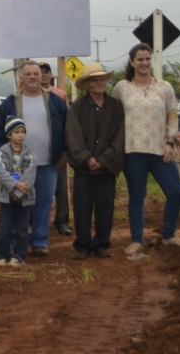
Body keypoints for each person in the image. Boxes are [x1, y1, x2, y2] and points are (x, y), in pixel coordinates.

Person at [112, 44, 180, 255]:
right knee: (137, 196)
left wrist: (169, 143)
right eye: (140, 59)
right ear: (132, 62)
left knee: (175, 191)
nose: (144, 63)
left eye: (147, 59)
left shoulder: (165, 87)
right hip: (132, 150)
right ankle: (137, 239)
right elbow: (115, 118)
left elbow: (172, 116)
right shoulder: (121, 87)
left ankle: (169, 234)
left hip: (159, 151)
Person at [0, 61, 69, 257]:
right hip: (18, 166)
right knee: (18, 202)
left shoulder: (54, 100)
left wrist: (65, 153)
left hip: (47, 162)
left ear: (43, 77)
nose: (33, 77)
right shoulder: (10, 102)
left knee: (44, 202)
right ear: (22, 78)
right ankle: (16, 241)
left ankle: (40, 241)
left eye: (36, 73)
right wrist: (3, 160)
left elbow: (68, 127)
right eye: (29, 74)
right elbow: (0, 133)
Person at [66, 63, 124, 259]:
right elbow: (73, 135)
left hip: (107, 168)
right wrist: (86, 158)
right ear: (87, 84)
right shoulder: (78, 106)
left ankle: (101, 244)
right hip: (84, 169)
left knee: (106, 207)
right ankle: (82, 245)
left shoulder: (116, 106)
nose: (99, 83)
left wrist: (105, 158)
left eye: (102, 79)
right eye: (95, 80)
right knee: (82, 207)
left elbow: (119, 135)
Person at [0, 117, 37, 266]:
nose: (20, 135)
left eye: (23, 132)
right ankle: (2, 255)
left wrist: (19, 193)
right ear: (9, 135)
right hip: (7, 197)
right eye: (16, 132)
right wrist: (15, 186)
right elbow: (1, 172)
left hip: (24, 197)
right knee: (5, 228)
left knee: (22, 228)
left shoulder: (30, 153)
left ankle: (19, 256)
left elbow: (30, 174)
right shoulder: (0, 153)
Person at [39, 62, 71, 237]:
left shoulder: (60, 95)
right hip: (37, 149)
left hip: (57, 148)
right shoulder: (29, 95)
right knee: (33, 188)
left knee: (61, 187)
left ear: (51, 75)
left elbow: (67, 123)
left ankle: (62, 221)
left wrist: (66, 150)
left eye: (46, 72)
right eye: (40, 72)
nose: (43, 75)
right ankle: (32, 223)